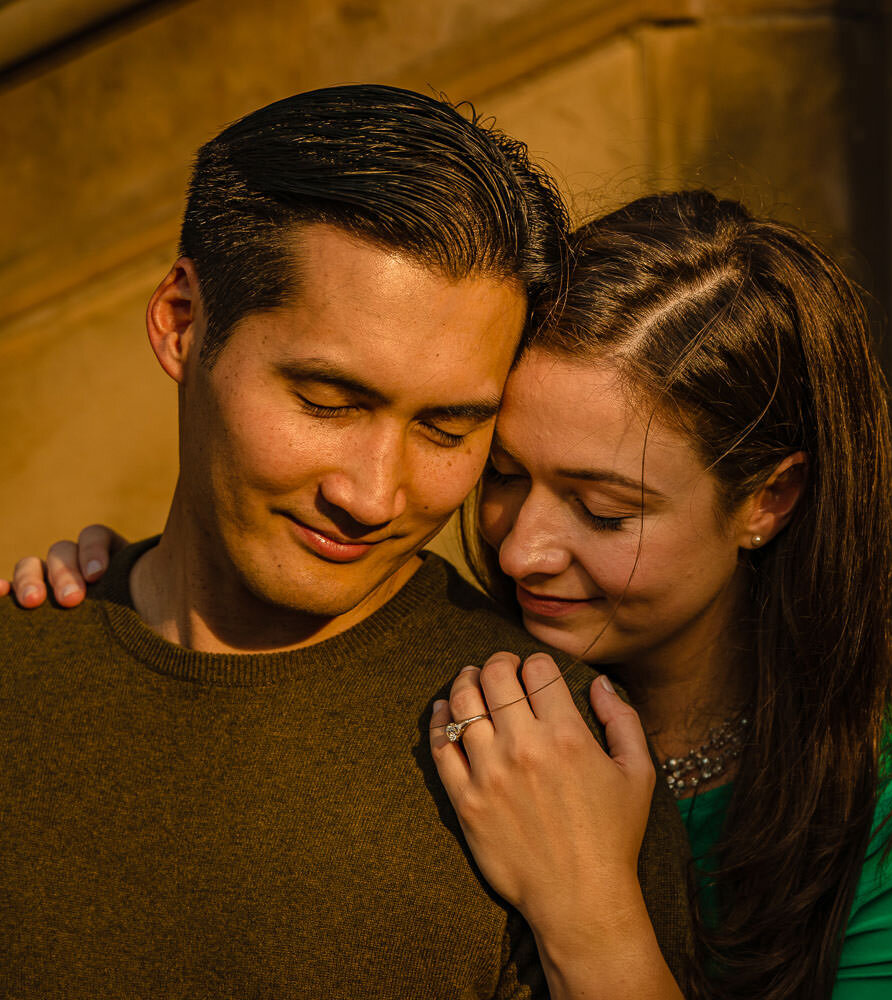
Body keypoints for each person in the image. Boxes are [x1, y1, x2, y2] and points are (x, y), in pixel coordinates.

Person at [11, 191, 892, 998]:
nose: (521, 551)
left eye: (605, 511)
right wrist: (130, 600)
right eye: (502, 471)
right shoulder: (450, 666)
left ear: (769, 500)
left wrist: (592, 915)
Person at [0, 84, 693, 998]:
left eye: (449, 429)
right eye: (328, 402)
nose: (372, 496)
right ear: (181, 323)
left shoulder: (560, 761)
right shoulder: (27, 660)